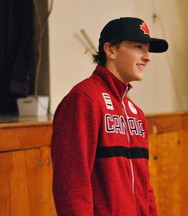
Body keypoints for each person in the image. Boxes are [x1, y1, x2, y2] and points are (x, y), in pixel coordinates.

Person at [51, 17, 168, 216]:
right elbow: (72, 184)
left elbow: (145, 186)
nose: (147, 57)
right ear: (110, 50)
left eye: (148, 49)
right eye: (139, 47)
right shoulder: (84, 99)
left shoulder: (136, 113)